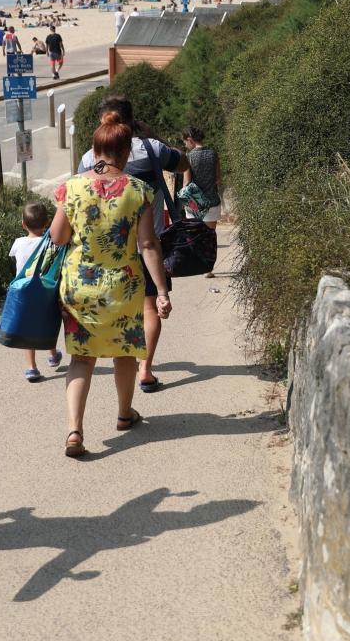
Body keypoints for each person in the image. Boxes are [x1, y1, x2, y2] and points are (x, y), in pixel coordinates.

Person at [49, 111, 172, 457]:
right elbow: (148, 245)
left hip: (79, 287)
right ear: (125, 152)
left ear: (95, 148)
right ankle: (124, 414)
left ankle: (75, 430)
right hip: (124, 286)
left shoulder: (71, 188)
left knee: (82, 358)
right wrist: (161, 292)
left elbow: (58, 238)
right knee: (124, 352)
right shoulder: (139, 191)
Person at [76, 96, 188, 392]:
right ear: (134, 120)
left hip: (106, 252)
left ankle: (111, 364)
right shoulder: (153, 148)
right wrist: (153, 137)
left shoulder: (90, 158)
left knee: (114, 315)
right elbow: (184, 163)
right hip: (148, 247)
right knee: (150, 309)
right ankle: (145, 371)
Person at [9, 202, 64, 383]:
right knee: (48, 322)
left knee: (27, 330)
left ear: (23, 223)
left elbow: (14, 260)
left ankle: (31, 368)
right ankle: (53, 354)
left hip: (24, 292)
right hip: (45, 291)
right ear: (48, 222)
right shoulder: (49, 243)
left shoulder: (18, 243)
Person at [181, 124, 223, 232]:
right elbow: (218, 179)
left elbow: (186, 183)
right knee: (210, 238)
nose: (185, 145)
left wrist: (183, 201)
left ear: (190, 140)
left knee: (196, 240)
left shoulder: (188, 157)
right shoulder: (213, 154)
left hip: (194, 205)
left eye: (185, 142)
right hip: (212, 203)